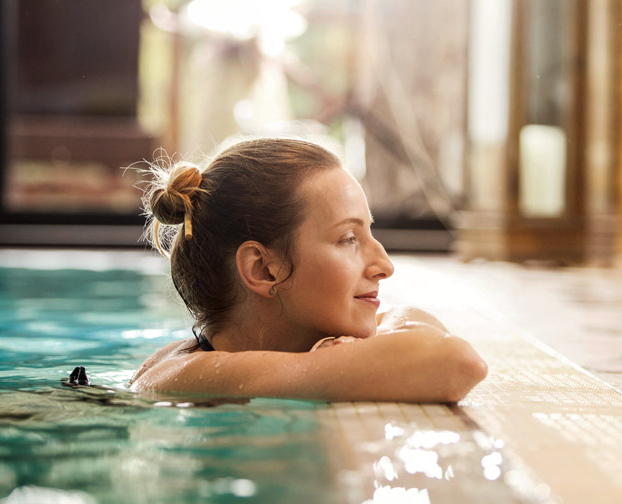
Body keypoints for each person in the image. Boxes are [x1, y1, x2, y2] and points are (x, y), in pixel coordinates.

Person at [129, 137, 487, 402]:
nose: (384, 266)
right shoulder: (191, 377)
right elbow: (455, 363)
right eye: (348, 238)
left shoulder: (271, 351)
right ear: (264, 269)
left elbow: (413, 322)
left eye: (368, 232)